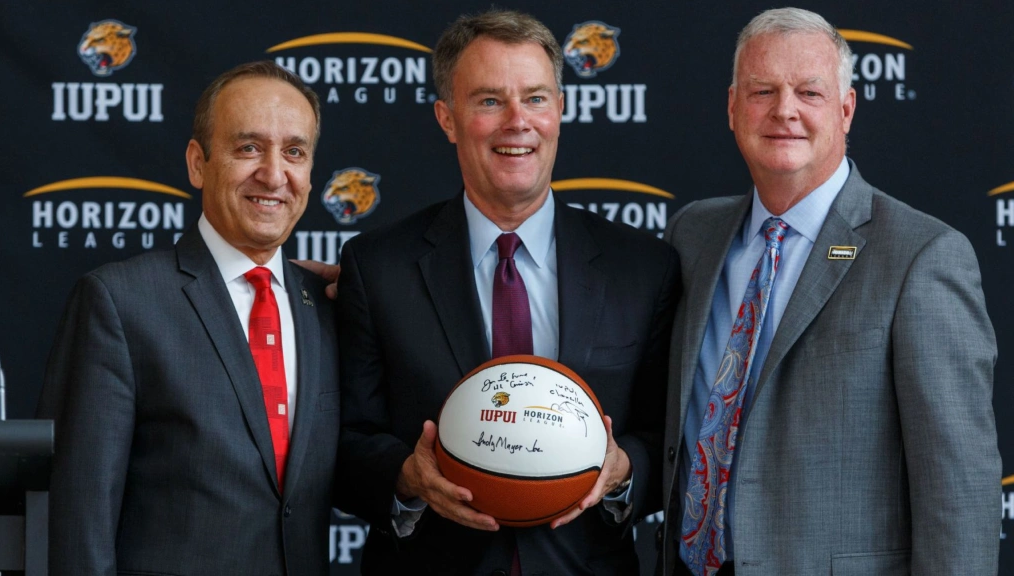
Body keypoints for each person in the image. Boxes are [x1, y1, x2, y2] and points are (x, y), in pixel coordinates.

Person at [331, 9, 677, 575]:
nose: (518, 121)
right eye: (489, 101)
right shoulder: (379, 267)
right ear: (447, 117)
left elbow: (672, 438)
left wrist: (623, 469)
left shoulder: (643, 267)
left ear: (561, 110)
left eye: (536, 98)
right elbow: (341, 443)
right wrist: (405, 476)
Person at [660, 7, 1000, 576]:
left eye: (809, 92)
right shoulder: (693, 237)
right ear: (732, 108)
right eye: (761, 90)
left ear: (846, 110)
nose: (783, 110)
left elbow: (959, 492)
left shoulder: (921, 256)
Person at [37, 61, 340, 576]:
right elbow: (78, 520)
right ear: (198, 163)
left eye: (294, 152)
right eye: (248, 148)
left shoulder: (330, 307)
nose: (274, 173)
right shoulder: (120, 302)